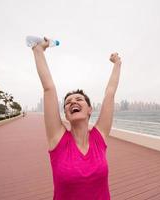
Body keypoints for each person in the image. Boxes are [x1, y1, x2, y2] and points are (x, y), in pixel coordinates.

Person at [30, 37, 121, 200]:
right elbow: (48, 88)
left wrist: (117, 64)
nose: (73, 102)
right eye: (67, 103)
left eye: (79, 99)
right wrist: (38, 51)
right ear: (66, 114)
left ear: (89, 110)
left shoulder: (98, 138)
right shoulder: (57, 139)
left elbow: (110, 93)